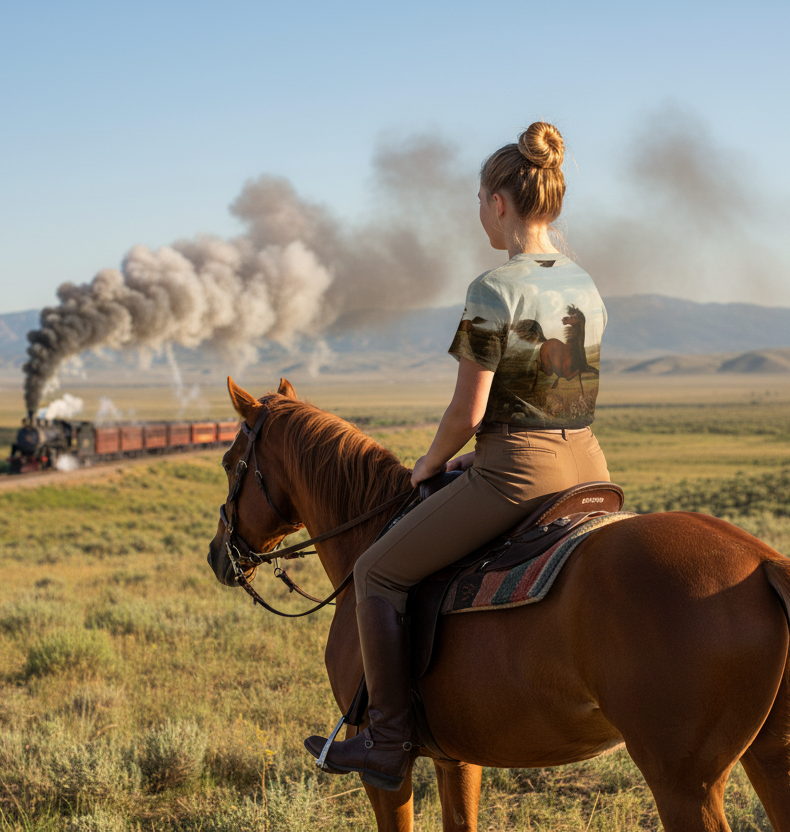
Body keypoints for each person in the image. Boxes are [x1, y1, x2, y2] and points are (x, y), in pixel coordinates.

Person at [304, 121, 610, 791]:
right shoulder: (584, 283)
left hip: (518, 473)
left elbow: (465, 414)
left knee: (378, 572)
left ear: (500, 203)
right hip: (588, 467)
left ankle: (386, 741)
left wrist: (428, 464)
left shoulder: (493, 289)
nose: (477, 210)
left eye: (478, 198)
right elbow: (554, 395)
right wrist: (488, 450)